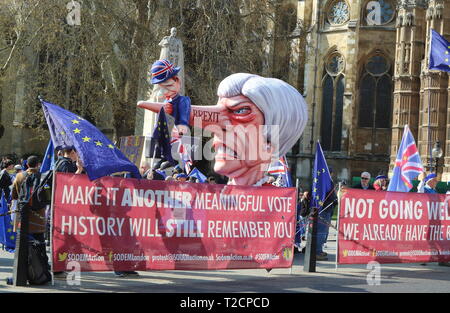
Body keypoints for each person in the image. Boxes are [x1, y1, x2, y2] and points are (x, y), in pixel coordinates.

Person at [138, 73, 308, 186]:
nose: (218, 129)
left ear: (270, 144)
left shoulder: (273, 205)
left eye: (241, 111)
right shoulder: (215, 202)